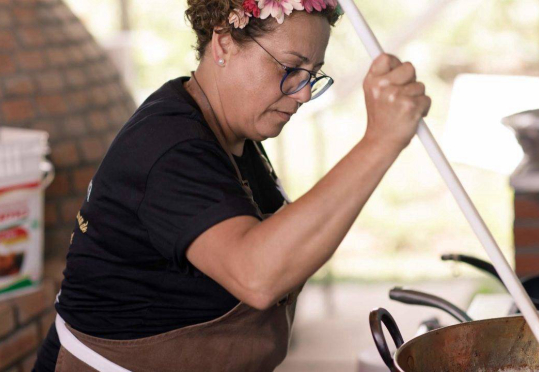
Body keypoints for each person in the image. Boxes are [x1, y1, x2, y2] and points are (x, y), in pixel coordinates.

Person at [33, 0, 431, 370]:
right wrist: (379, 142)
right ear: (223, 43)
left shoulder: (231, 134)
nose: (304, 93)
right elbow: (257, 275)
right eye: (290, 68)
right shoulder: (170, 148)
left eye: (313, 74)